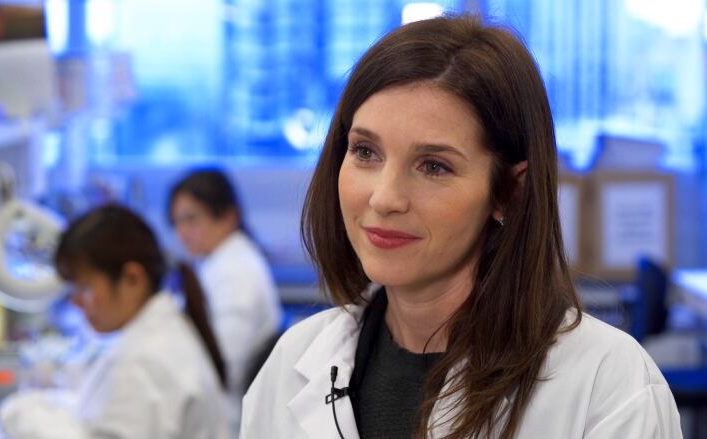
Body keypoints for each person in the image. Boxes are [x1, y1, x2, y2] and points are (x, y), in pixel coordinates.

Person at [240, 14, 682, 439]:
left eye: (433, 166)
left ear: (509, 191)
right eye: (365, 152)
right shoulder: (293, 366)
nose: (384, 197)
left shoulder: (609, 385)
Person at [0, 204, 228, 439]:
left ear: (132, 280)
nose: (76, 302)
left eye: (85, 287)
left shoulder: (146, 362)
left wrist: (24, 416)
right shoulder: (157, 334)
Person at [168, 169, 282, 437]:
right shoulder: (222, 260)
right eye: (176, 222)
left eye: (191, 220)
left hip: (227, 417)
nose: (181, 233)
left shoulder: (235, 274)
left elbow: (223, 365)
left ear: (229, 217)